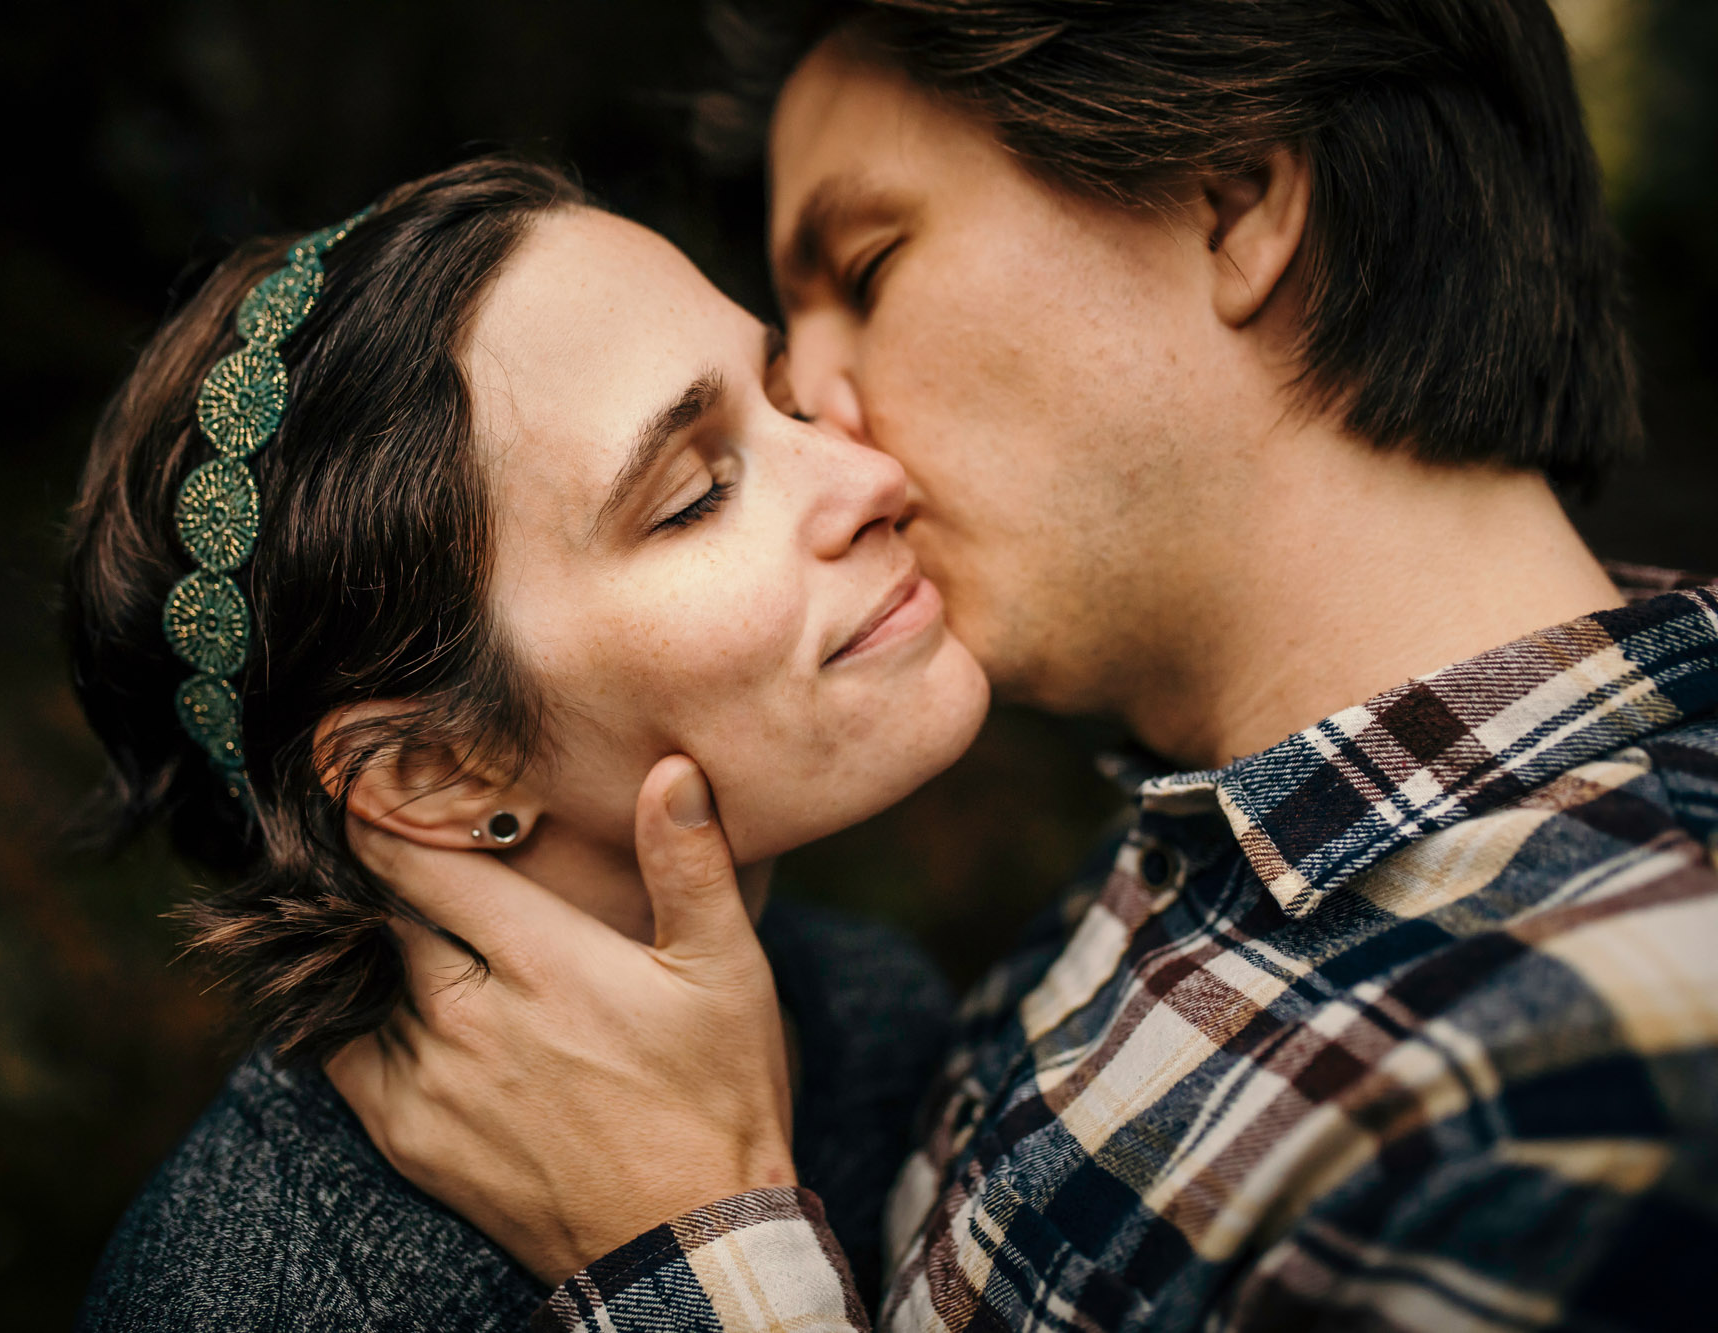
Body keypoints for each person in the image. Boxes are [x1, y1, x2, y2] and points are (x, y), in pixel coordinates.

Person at [324, 2, 1718, 1329]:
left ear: (1228, 197)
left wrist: (691, 1248)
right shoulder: (1178, 870)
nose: (813, 399)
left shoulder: (1618, 1059)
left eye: (866, 269)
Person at [64, 156, 991, 1329]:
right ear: (436, 771)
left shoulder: (869, 1010)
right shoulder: (253, 1299)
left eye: (789, 401)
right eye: (695, 492)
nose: (871, 475)